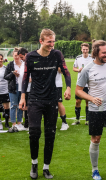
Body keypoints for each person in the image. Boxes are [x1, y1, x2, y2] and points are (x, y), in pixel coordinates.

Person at [19, 28, 71, 179]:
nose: (52, 44)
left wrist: (68, 88)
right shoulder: (30, 56)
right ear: (41, 41)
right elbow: (25, 78)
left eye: (53, 41)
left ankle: (46, 167)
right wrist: (23, 97)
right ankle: (34, 164)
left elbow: (66, 72)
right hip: (34, 99)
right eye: (49, 42)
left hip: (51, 99)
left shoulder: (57, 54)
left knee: (50, 134)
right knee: (34, 132)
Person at [75, 40, 106, 180]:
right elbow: (78, 91)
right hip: (96, 109)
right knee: (96, 139)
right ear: (96, 52)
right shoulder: (87, 69)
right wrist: (91, 98)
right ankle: (95, 170)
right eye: (104, 53)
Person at [4, 48, 25, 132]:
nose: (16, 57)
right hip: (13, 88)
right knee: (13, 105)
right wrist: (13, 73)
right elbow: (6, 77)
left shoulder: (24, 64)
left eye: (18, 56)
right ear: (12, 56)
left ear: (20, 56)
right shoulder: (10, 65)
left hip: (22, 87)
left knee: (21, 105)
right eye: (15, 56)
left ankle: (19, 123)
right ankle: (13, 124)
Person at [72, 43, 94, 125]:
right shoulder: (78, 58)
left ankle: (87, 120)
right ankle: (77, 120)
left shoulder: (92, 58)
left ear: (89, 50)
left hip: (89, 83)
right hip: (80, 84)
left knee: (88, 101)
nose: (85, 51)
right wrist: (78, 70)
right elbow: (74, 68)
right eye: (83, 49)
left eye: (86, 49)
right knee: (78, 101)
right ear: (81, 49)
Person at [18, 48, 30, 130]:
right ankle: (26, 124)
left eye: (21, 57)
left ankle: (30, 124)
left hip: (31, 88)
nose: (21, 59)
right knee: (25, 106)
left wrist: (32, 79)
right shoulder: (23, 63)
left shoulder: (31, 61)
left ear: (25, 54)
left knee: (30, 107)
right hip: (24, 89)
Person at [0, 54, 10, 129]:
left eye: (1, 58)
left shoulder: (5, 68)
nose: (0, 60)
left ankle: (6, 122)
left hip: (5, 91)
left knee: (6, 107)